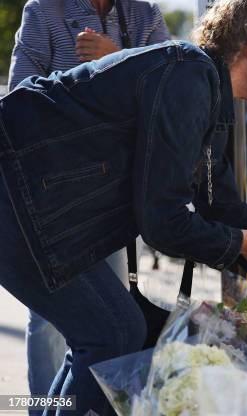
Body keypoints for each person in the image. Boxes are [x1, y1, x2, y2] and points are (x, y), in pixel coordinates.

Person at [0, 0, 247, 413]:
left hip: (41, 205)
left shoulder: (208, 89)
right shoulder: (188, 76)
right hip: (20, 195)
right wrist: (243, 243)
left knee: (111, 332)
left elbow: (220, 203)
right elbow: (163, 221)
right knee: (112, 332)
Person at [7, 0, 171, 400]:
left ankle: (94, 406)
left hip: (109, 198)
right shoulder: (44, 12)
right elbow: (17, 102)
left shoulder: (144, 15)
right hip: (48, 198)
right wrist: (93, 75)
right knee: (47, 320)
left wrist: (119, 57)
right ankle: (49, 406)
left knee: (110, 319)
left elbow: (170, 86)